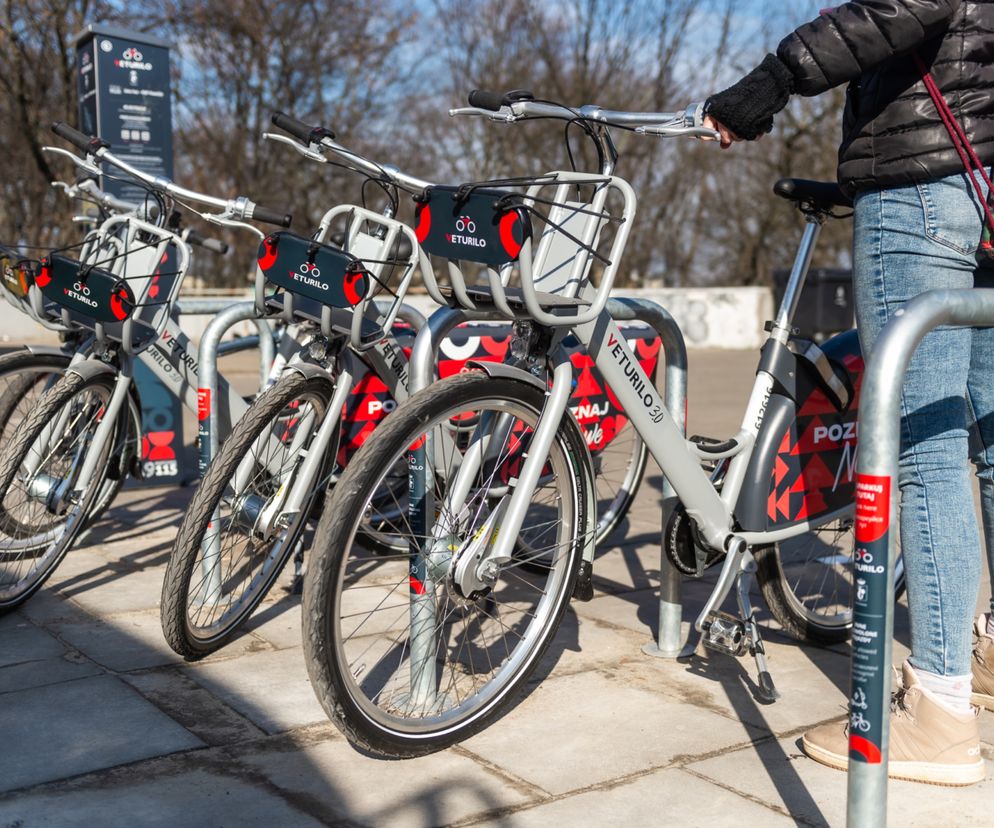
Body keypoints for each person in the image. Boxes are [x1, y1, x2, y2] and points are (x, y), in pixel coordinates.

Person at [703, 0, 994, 786]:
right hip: (981, 188)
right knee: (988, 441)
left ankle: (939, 711)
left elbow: (902, 7)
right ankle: (987, 653)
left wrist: (777, 75)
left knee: (925, 445)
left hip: (923, 187)